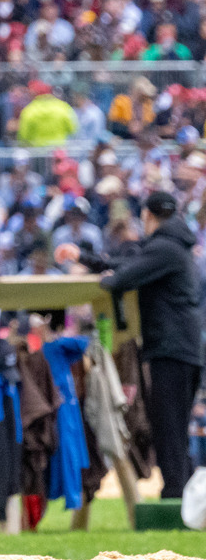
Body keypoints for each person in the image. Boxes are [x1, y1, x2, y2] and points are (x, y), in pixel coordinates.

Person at [56, 191, 203, 499]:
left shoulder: (165, 249)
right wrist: (82, 257)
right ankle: (184, 493)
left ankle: (176, 495)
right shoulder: (172, 248)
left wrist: (108, 278)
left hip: (171, 350)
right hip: (181, 349)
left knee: (169, 427)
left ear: (147, 216)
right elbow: (122, 264)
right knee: (174, 427)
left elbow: (121, 277)